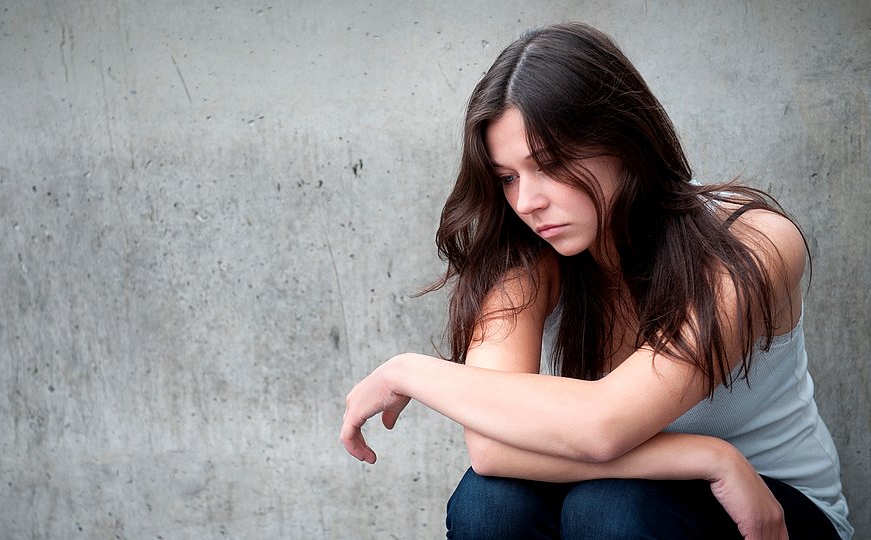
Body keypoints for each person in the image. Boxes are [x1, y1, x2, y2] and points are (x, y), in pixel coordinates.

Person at [339, 22, 852, 540]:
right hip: (654, 486)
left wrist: (406, 372)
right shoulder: (526, 255)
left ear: (623, 140)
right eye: (508, 177)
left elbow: (603, 427)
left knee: (611, 509)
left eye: (550, 165)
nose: (526, 203)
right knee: (489, 503)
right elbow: (492, 451)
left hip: (771, 510)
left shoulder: (751, 242)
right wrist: (707, 457)